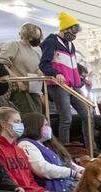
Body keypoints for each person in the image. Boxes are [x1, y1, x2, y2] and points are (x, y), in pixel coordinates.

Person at [0, 107, 64, 192]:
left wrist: (39, 189)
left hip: (31, 189)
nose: (20, 125)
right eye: (16, 121)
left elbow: (29, 177)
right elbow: (5, 177)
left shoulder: (19, 149)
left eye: (20, 122)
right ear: (4, 125)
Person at [38, 13, 92, 145]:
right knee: (66, 118)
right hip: (58, 85)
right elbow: (44, 64)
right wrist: (56, 73)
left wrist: (81, 81)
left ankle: (91, 146)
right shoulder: (51, 41)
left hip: (72, 85)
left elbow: (71, 68)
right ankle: (65, 150)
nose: (75, 35)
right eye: (73, 31)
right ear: (65, 28)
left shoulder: (70, 45)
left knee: (87, 115)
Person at [17, 113, 83, 192]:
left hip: (68, 184)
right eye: (45, 125)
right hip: (53, 188)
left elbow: (68, 163)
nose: (49, 128)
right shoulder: (25, 144)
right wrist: (71, 173)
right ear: (34, 126)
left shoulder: (48, 144)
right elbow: (41, 168)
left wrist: (83, 171)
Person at [0, 23, 45, 115]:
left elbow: (37, 67)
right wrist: (17, 80)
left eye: (39, 36)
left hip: (33, 89)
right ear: (27, 34)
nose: (38, 38)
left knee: (38, 116)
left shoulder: (37, 50)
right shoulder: (14, 45)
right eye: (36, 36)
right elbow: (1, 64)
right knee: (27, 116)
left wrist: (39, 72)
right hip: (18, 89)